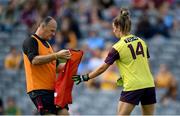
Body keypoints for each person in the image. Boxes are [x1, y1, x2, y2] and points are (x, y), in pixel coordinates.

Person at [73, 8, 156, 115]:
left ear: (118, 28)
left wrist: (85, 77)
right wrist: (125, 75)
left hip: (133, 85)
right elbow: (145, 64)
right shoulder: (142, 41)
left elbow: (103, 68)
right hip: (149, 84)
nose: (113, 31)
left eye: (114, 28)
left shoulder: (118, 47)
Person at [22, 16, 71, 115]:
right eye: (51, 31)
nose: (53, 34)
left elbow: (56, 68)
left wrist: (69, 63)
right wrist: (57, 55)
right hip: (39, 90)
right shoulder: (31, 41)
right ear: (42, 27)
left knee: (65, 113)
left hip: (53, 89)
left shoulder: (48, 45)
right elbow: (34, 60)